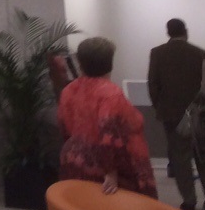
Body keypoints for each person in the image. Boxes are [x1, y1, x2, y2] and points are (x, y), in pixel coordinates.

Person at [58, 36, 156, 197]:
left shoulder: (69, 90)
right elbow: (109, 134)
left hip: (75, 159)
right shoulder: (110, 93)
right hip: (108, 168)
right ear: (110, 63)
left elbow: (64, 126)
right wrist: (110, 171)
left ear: (81, 63)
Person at [148, 18, 205, 210]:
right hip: (199, 114)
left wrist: (160, 107)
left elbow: (153, 84)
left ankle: (189, 200)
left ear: (168, 32)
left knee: (180, 159)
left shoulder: (157, 53)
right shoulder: (200, 53)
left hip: (172, 114)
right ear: (185, 31)